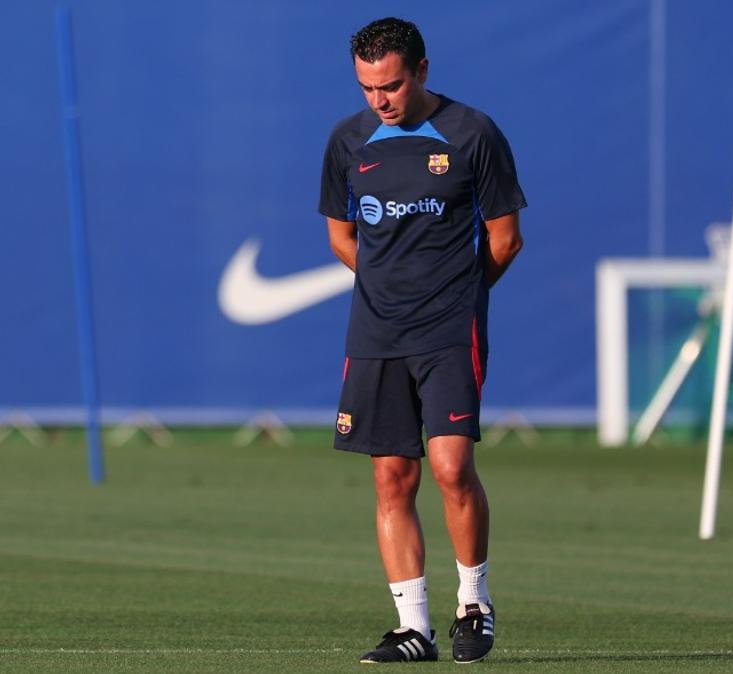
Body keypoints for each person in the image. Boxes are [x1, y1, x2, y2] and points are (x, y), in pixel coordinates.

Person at [318, 16, 526, 664]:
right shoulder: (348, 142)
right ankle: (414, 627)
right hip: (376, 331)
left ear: (423, 71)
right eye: (367, 87)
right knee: (392, 479)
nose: (380, 99)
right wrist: (390, 288)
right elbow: (341, 237)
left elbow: (505, 237)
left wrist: (459, 292)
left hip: (447, 329)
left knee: (451, 468)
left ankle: (474, 603)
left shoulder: (472, 135)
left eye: (392, 85)